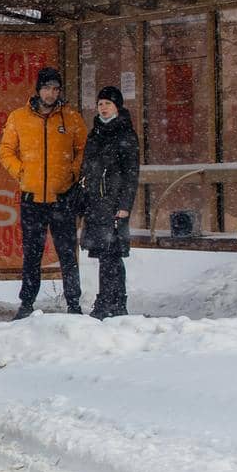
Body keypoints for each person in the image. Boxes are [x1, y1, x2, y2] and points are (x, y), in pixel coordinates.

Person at [0, 66, 88, 319]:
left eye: (56, 88)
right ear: (38, 89)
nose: (51, 93)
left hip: (62, 198)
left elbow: (83, 149)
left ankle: (74, 303)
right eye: (47, 87)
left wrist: (72, 173)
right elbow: (5, 151)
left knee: (68, 254)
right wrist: (22, 172)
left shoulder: (71, 118)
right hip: (32, 199)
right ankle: (26, 304)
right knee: (32, 254)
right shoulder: (19, 117)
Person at [80, 85, 140, 319]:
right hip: (97, 202)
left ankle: (115, 300)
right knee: (104, 253)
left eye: (107, 103)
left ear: (117, 106)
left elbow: (131, 172)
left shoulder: (125, 133)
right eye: (100, 104)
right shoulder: (95, 133)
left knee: (112, 253)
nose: (103, 108)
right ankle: (107, 300)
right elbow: (87, 165)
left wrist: (125, 205)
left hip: (115, 202)